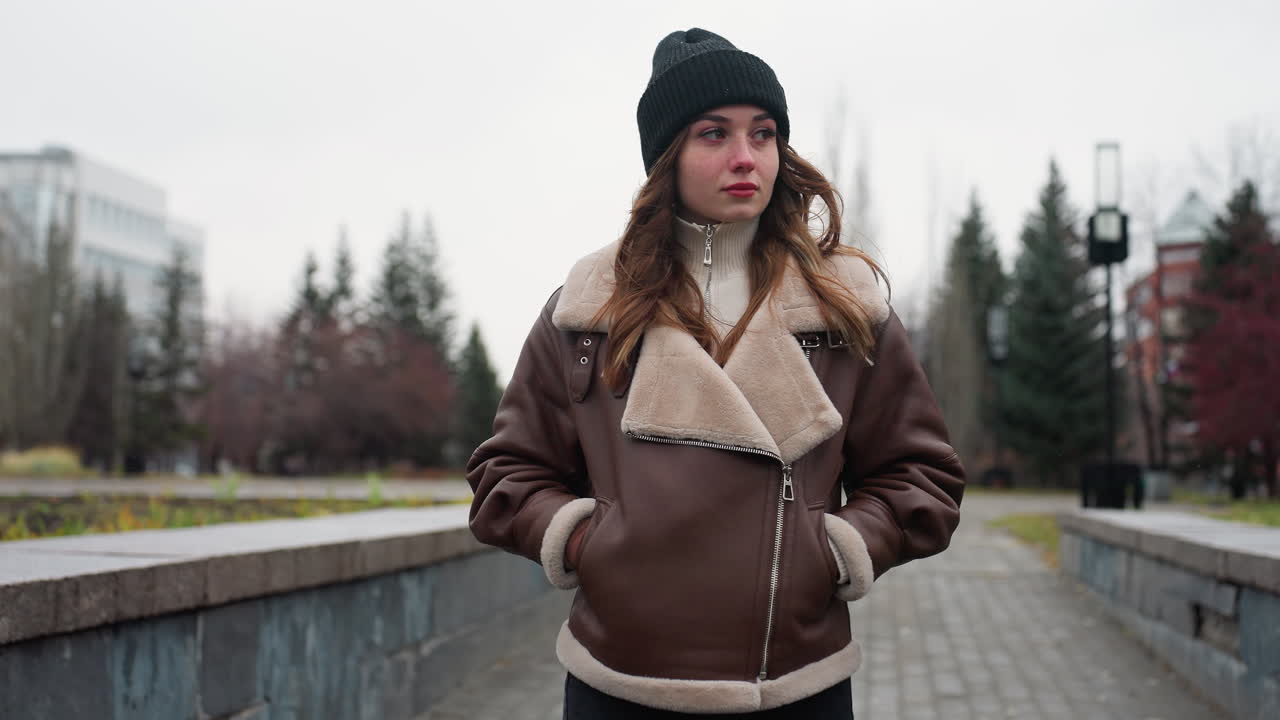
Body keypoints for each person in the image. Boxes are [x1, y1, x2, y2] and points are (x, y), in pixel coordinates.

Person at [466, 27, 965, 719]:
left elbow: (923, 477)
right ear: (667, 157)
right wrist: (589, 540)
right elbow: (506, 476)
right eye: (713, 134)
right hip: (621, 682)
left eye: (763, 135)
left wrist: (840, 547)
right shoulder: (589, 306)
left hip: (793, 683)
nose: (744, 157)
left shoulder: (845, 305)